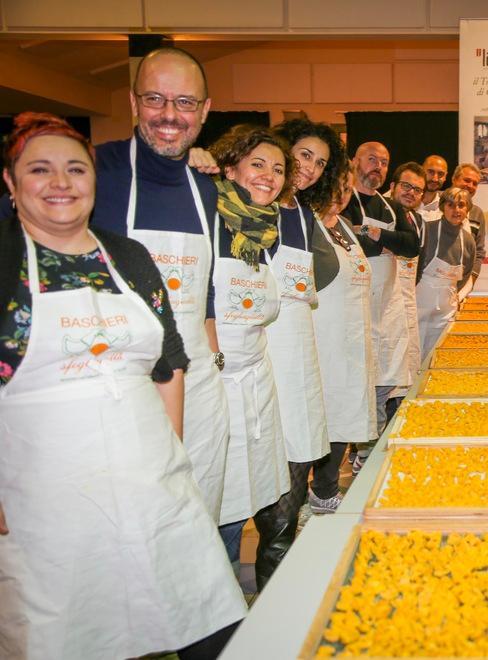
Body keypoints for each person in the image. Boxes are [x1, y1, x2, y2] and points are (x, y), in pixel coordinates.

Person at [0, 112, 246, 660]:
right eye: (40, 169)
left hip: (151, 480)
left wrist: (172, 457)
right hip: (46, 497)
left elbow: (169, 363)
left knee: (206, 618)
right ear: (11, 183)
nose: (61, 183)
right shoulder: (5, 261)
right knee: (76, 634)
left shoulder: (128, 258)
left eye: (76, 169)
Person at [90, 46, 230, 522]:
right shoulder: (93, 172)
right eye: (155, 98)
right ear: (133, 102)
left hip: (200, 387)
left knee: (199, 517)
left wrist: (215, 358)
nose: (170, 114)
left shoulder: (206, 186)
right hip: (122, 387)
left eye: (184, 102)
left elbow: (205, 287)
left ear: (204, 110)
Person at [250, 118, 343, 586]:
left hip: (299, 349)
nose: (310, 167)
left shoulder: (303, 216)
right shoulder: (251, 205)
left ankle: (278, 573)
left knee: (299, 459)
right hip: (260, 350)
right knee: (263, 469)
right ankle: (268, 578)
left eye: (320, 163)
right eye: (304, 155)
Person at [209, 125, 292, 571]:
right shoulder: (208, 221)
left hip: (255, 379)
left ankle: (228, 586)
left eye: (277, 170)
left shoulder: (263, 232)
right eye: (257, 164)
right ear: (229, 168)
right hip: (215, 381)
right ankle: (216, 597)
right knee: (215, 496)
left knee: (245, 493)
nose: (269, 176)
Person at [341, 141, 418, 471]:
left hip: (387, 307)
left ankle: (368, 451)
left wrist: (374, 235)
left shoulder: (391, 206)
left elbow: (411, 245)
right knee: (360, 383)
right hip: (356, 305)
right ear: (355, 161)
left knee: (386, 381)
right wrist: (386, 242)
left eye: (384, 162)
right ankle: (363, 451)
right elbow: (347, 242)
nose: (378, 166)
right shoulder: (344, 200)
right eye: (371, 159)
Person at [309, 164, 376, 514]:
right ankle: (310, 494)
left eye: (347, 188)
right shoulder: (307, 225)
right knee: (320, 418)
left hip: (352, 338)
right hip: (323, 337)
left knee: (346, 412)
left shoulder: (346, 226)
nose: (340, 194)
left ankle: (326, 489)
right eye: (334, 185)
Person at [416, 187, 478, 356]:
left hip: (446, 305)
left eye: (461, 205)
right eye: (450, 205)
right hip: (420, 299)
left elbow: (466, 273)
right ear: (442, 207)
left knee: (437, 352)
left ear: (467, 209)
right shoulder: (427, 230)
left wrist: (453, 295)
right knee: (413, 350)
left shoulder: (469, 240)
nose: (456, 210)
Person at [387, 162, 428, 401]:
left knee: (408, 367)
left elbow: (419, 266)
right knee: (385, 371)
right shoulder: (380, 213)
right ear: (393, 186)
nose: (411, 192)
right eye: (406, 186)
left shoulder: (418, 221)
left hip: (407, 302)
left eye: (417, 190)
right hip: (383, 306)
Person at [450, 163, 486, 286]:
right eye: (466, 180)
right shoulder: (436, 202)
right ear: (454, 179)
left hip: (461, 282)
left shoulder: (477, 213)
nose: (470, 186)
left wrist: (468, 284)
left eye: (475, 183)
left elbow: (479, 252)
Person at [419, 154, 448, 222]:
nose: (435, 179)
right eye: (431, 172)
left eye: (440, 174)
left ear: (445, 177)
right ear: (421, 171)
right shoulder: (408, 199)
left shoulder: (446, 207)